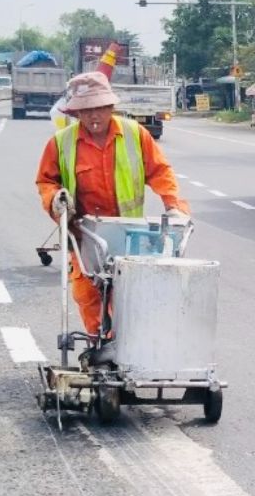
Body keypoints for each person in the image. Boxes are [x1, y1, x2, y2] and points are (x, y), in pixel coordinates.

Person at [34, 71, 190, 340]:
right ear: (77, 113)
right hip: (85, 231)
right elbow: (46, 181)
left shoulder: (135, 134)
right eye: (86, 110)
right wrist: (56, 200)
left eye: (99, 109)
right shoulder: (61, 143)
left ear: (110, 107)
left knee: (128, 291)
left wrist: (173, 206)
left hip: (128, 231)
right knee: (87, 292)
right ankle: (99, 345)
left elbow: (160, 171)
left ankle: (122, 343)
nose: (94, 116)